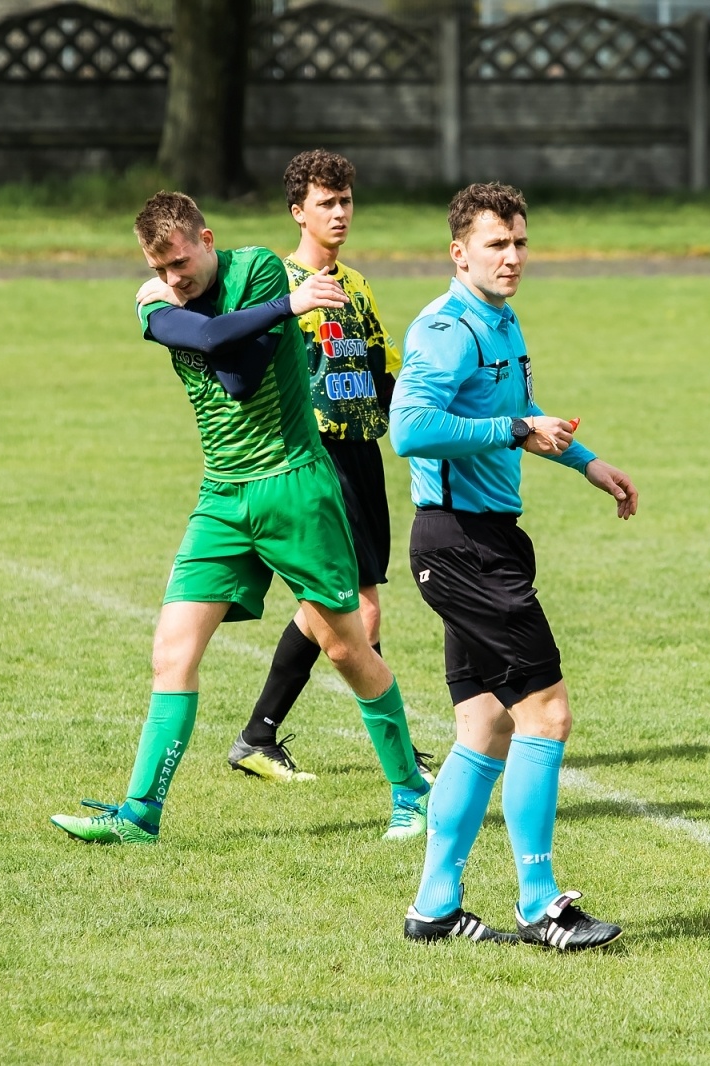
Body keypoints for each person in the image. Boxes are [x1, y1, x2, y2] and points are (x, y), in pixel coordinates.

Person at [49, 191, 433, 846]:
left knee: (346, 645)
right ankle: (140, 814)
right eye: (160, 269)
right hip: (222, 495)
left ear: (206, 238)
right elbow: (203, 338)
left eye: (180, 261)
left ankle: (413, 792)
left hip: (292, 486)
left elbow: (240, 378)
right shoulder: (186, 295)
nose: (173, 279)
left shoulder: (257, 268)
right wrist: (281, 310)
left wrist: (234, 319)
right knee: (171, 651)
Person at [390, 182, 639, 948]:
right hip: (462, 543)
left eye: (521, 242)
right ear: (459, 251)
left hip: (484, 540)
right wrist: (515, 428)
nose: (512, 257)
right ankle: (540, 905)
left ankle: (434, 906)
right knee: (548, 713)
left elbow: (515, 424)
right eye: (497, 244)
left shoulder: (501, 319)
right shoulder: (447, 327)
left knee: (486, 726)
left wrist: (585, 461)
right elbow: (410, 427)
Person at [225, 150, 433, 791]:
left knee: (347, 608)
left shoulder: (358, 286)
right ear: (298, 212)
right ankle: (396, 760)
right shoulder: (278, 288)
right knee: (360, 612)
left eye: (345, 201)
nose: (339, 213)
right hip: (314, 457)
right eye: (326, 203)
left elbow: (384, 371)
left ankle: (258, 734)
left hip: (363, 453)